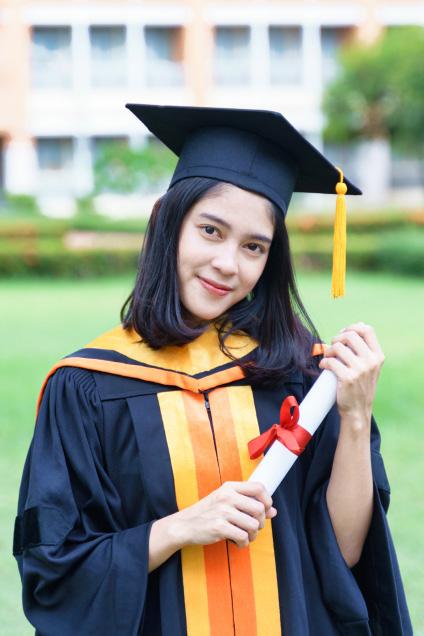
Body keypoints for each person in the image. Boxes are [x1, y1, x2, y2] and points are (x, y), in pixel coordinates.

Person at [13, 104, 412, 635]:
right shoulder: (89, 386)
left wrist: (356, 417)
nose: (228, 264)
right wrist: (178, 528)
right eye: (210, 230)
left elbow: (345, 551)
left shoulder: (304, 378)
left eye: (254, 247)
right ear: (167, 224)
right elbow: (54, 573)